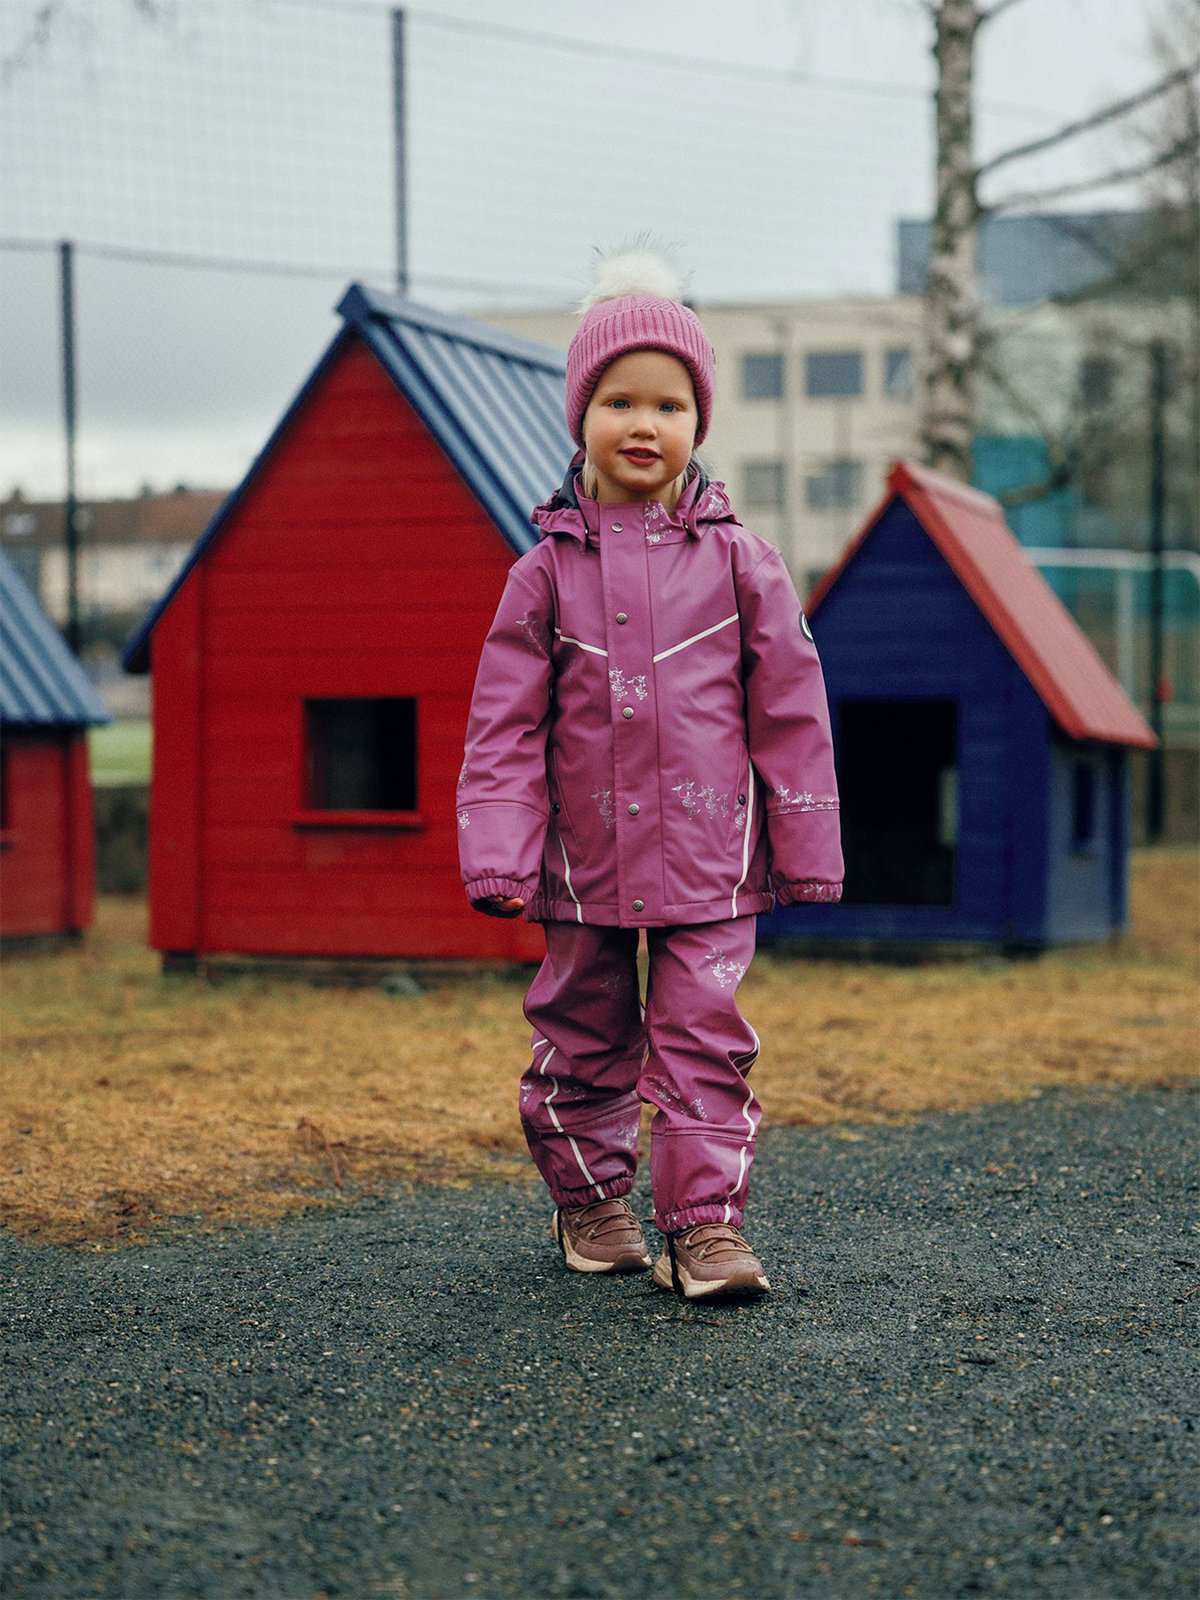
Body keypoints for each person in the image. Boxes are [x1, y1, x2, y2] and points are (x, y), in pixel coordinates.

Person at [456, 249, 843, 1302]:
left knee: (704, 1039)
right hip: (581, 860)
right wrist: (499, 848)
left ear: (698, 423)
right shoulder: (541, 573)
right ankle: (589, 1197)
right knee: (582, 1034)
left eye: (668, 404)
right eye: (618, 400)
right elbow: (503, 721)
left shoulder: (740, 564)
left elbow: (793, 714)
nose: (643, 423)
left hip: (712, 858)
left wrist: (804, 845)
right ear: (579, 415)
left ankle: (706, 1226)